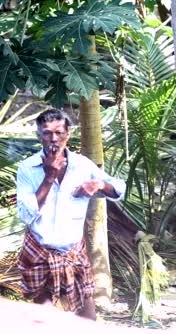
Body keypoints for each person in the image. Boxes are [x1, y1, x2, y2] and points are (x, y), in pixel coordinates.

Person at [16, 109, 126, 320]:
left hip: (73, 254)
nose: (53, 139)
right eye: (47, 133)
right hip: (40, 253)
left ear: (68, 134)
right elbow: (26, 214)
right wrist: (49, 177)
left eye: (59, 132)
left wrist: (99, 184)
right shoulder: (27, 168)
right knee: (44, 320)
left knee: (88, 319)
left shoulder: (82, 165)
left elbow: (118, 188)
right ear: (39, 136)